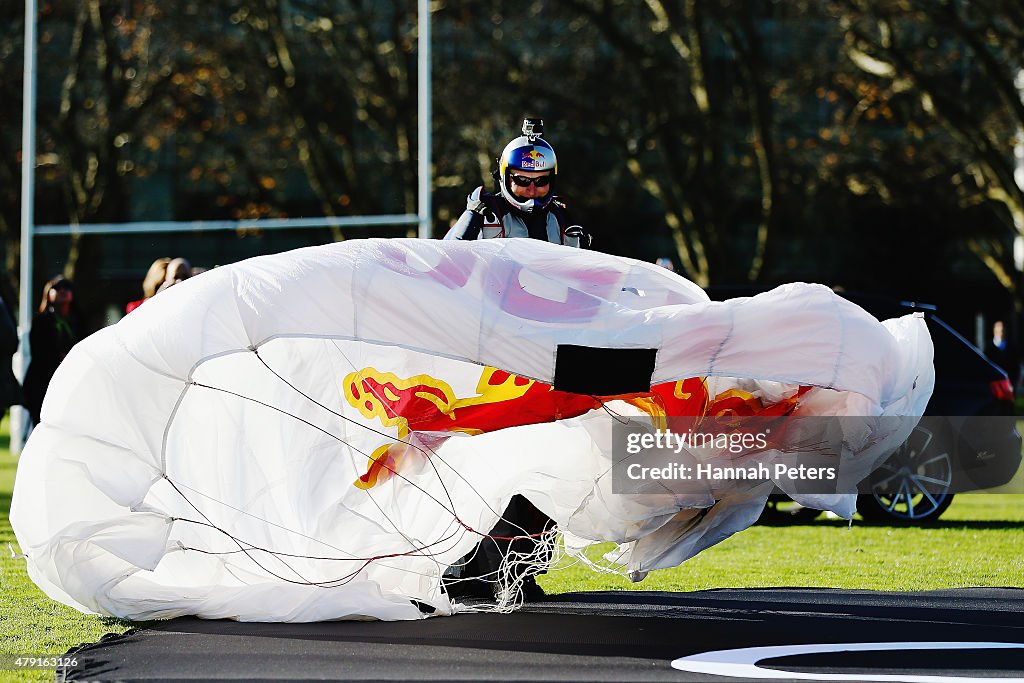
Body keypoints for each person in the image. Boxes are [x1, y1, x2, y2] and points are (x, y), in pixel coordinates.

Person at [444, 118, 589, 248]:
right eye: (522, 180)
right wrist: (468, 225)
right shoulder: (483, 215)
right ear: (505, 177)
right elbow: (445, 261)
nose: (532, 190)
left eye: (541, 181)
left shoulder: (563, 222)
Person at [23, 276, 81, 426]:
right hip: (43, 382)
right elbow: (39, 351)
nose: (63, 292)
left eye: (66, 288)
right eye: (57, 288)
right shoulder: (42, 320)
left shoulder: (78, 320)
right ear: (49, 293)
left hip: (71, 381)